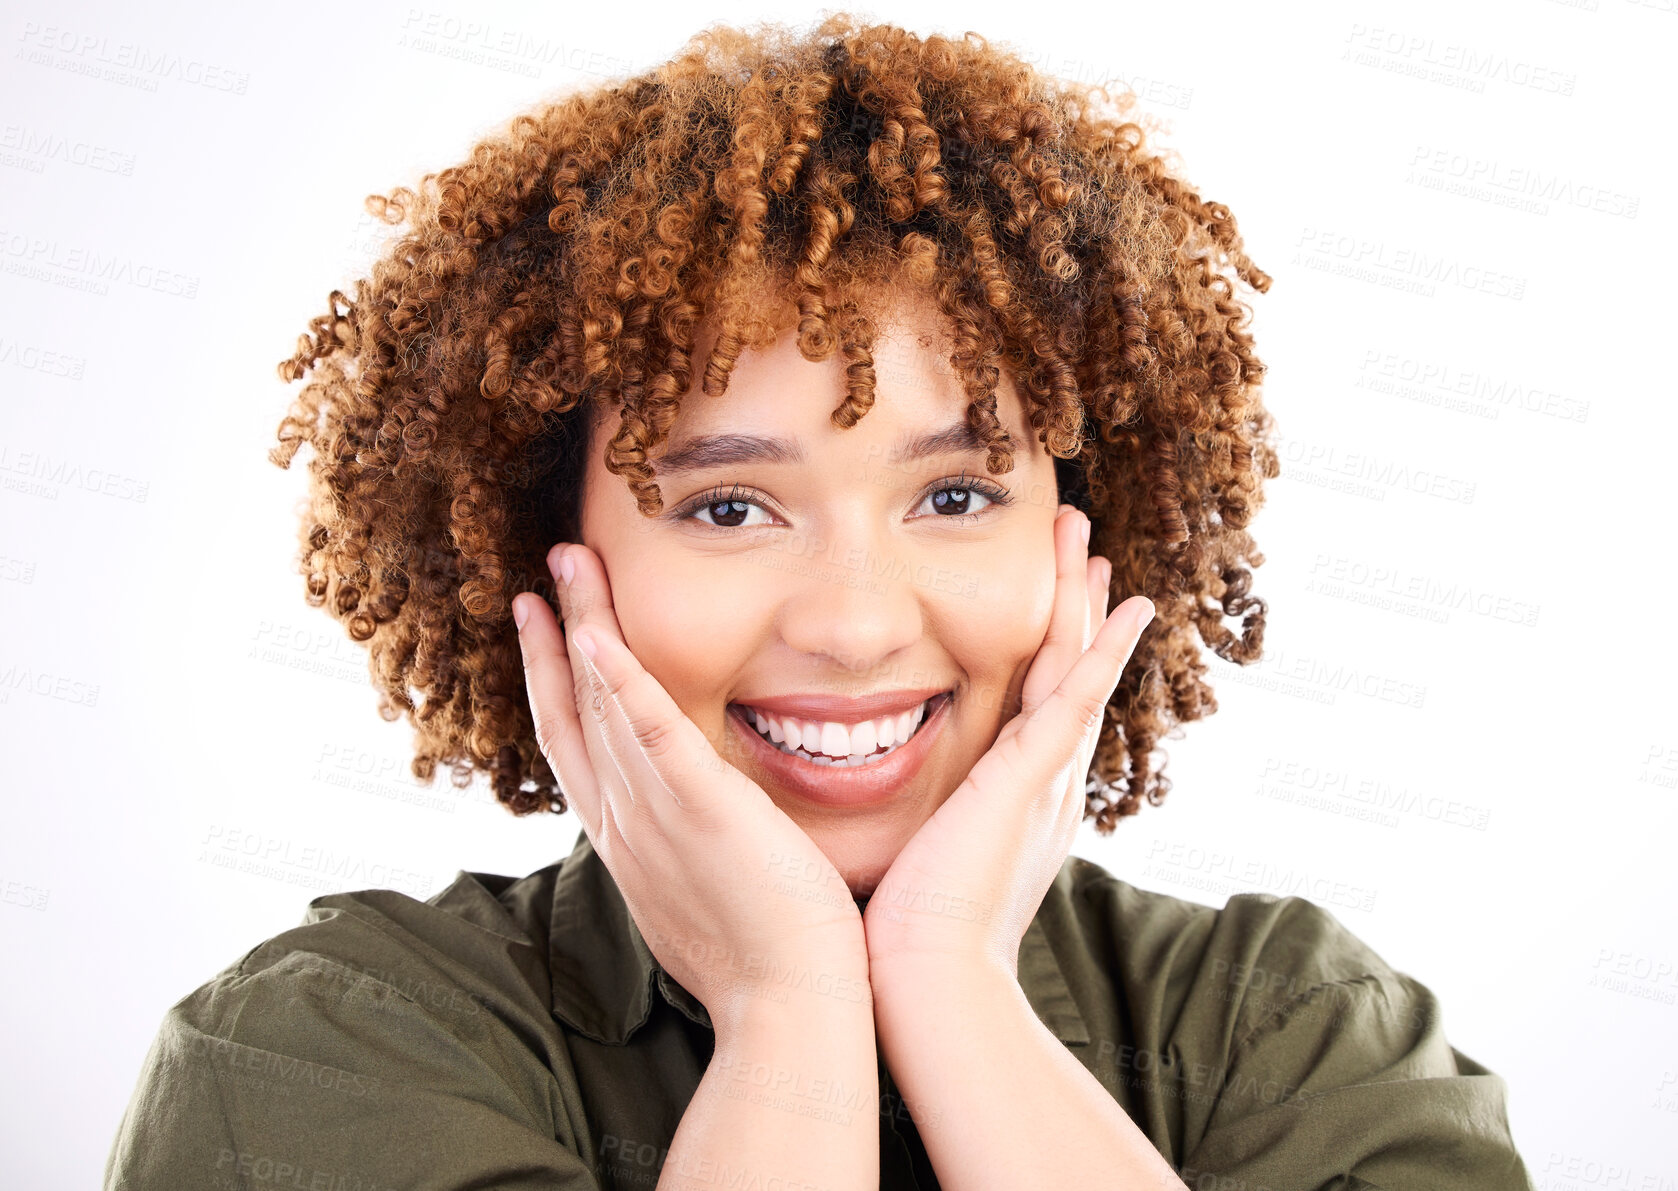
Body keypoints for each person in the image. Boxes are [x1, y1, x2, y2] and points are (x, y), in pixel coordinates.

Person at [105, 13, 1535, 1189]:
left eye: (956, 496)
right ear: (548, 555)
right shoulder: (324, 1052)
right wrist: (786, 1011)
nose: (854, 625)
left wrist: (950, 985)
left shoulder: (1286, 1032)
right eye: (729, 509)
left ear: (1089, 536)